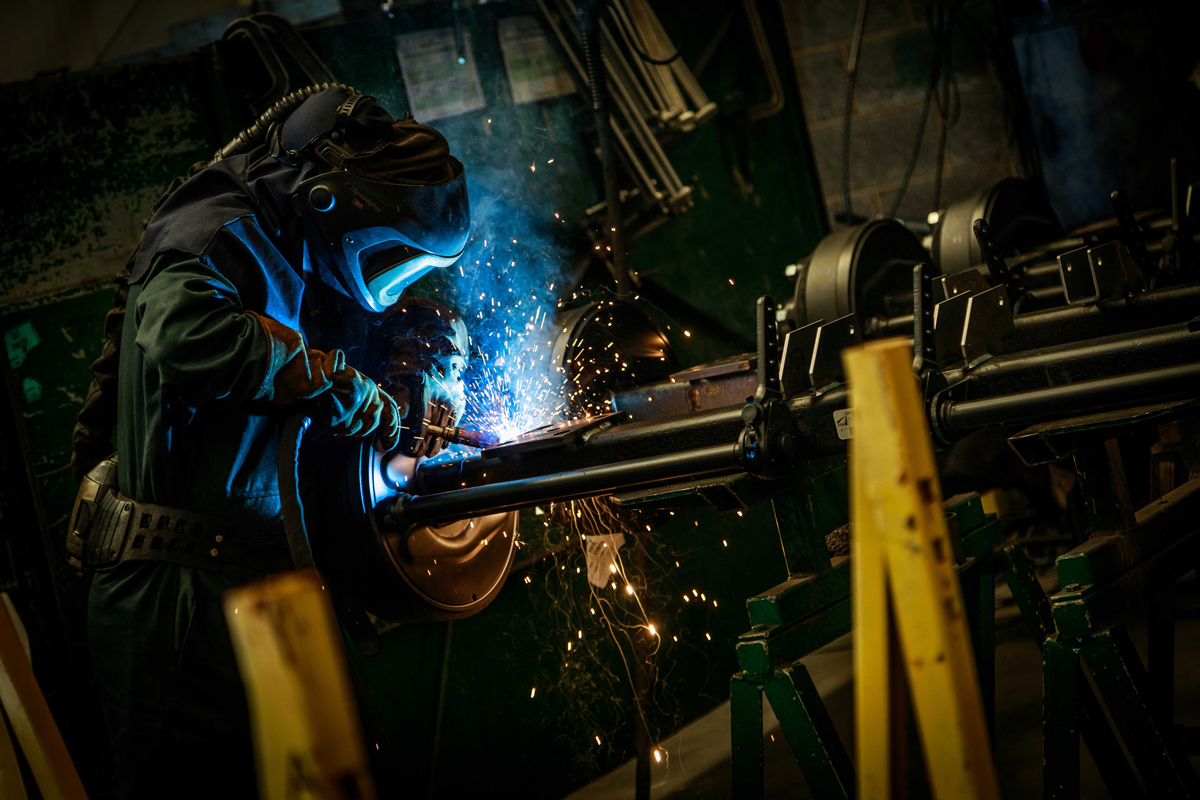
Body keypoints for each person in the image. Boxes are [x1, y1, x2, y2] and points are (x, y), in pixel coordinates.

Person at [74, 86, 470, 799]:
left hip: (255, 579)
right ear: (330, 202)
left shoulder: (286, 252)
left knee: (336, 784)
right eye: (390, 260)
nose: (388, 281)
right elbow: (187, 335)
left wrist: (413, 359)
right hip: (176, 599)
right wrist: (347, 390)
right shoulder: (212, 232)